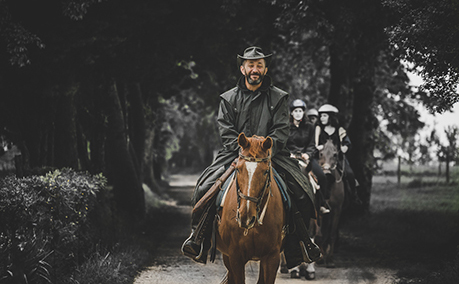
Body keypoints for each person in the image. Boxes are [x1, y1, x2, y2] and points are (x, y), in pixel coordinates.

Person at [181, 46, 321, 266]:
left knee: (301, 191)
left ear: (265, 70)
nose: (255, 69)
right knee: (204, 187)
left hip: (271, 155)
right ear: (242, 68)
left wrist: (266, 149)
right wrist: (242, 151)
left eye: (259, 65)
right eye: (251, 65)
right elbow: (226, 131)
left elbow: (282, 130)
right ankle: (198, 239)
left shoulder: (279, 97)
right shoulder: (228, 98)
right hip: (235, 155)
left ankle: (300, 244)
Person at [286, 99, 330, 215]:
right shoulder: (285, 127)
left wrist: (308, 154)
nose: (298, 113)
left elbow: (312, 144)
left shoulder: (310, 127)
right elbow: (283, 144)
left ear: (303, 112)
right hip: (290, 158)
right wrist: (290, 154)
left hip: (306, 158)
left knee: (321, 176)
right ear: (291, 113)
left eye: (300, 111)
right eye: (296, 111)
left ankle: (321, 204)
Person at [315, 104, 360, 204]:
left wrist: (345, 147)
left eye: (324, 116)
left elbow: (347, 142)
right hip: (322, 158)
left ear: (331, 117)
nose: (321, 118)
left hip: (337, 158)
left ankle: (353, 196)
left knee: (350, 173)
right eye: (321, 116)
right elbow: (314, 143)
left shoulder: (339, 130)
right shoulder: (319, 130)